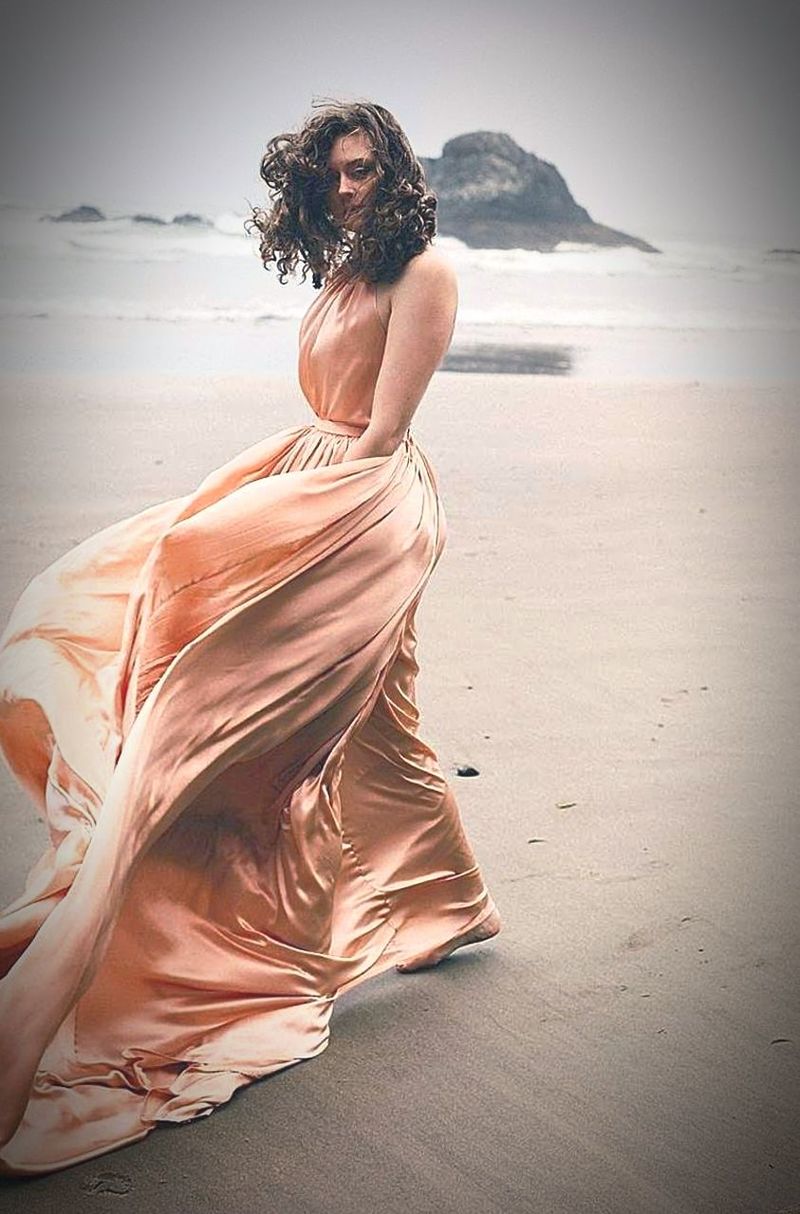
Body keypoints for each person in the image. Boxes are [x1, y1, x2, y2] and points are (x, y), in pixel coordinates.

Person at [0, 98, 500, 1175]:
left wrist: (248, 530)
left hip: (361, 514)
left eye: (363, 169)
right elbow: (322, 416)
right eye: (330, 175)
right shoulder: (342, 275)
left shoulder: (426, 275)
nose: (346, 187)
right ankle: (450, 902)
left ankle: (158, 938)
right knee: (379, 720)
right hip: (306, 482)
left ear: (397, 170)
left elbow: (378, 436)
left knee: (212, 710)